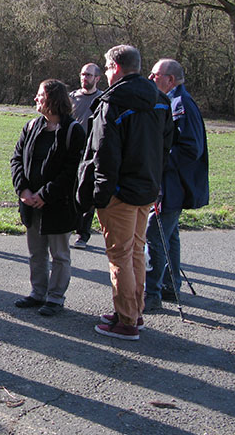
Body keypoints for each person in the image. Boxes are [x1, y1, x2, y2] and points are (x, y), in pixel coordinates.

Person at [76, 45, 173, 340]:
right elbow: (166, 145)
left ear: (115, 68)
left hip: (119, 191)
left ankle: (127, 321)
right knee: (135, 253)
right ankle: (133, 310)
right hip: (146, 189)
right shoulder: (160, 100)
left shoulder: (113, 101)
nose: (105, 74)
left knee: (119, 255)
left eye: (106, 68)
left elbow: (104, 153)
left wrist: (100, 195)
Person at [10, 79, 85, 316]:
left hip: (58, 206)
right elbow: (16, 160)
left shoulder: (73, 131)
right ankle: (37, 293)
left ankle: (55, 298)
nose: (36, 99)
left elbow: (73, 170)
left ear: (53, 99)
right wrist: (23, 190)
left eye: (40, 95)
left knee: (60, 254)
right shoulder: (31, 127)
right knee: (36, 252)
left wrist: (46, 194)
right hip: (31, 204)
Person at [144, 59, 209, 311]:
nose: (151, 78)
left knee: (155, 234)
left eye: (155, 74)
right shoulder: (174, 100)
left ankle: (152, 295)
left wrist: (158, 158)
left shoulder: (180, 104)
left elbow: (191, 148)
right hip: (173, 182)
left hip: (173, 184)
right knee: (169, 235)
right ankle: (171, 285)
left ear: (170, 79)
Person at [69, 63, 104, 249]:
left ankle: (83, 234)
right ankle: (67, 226)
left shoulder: (102, 99)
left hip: (91, 152)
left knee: (86, 192)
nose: (85, 78)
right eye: (83, 74)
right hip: (72, 150)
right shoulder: (72, 98)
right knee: (69, 189)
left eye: (89, 75)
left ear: (97, 78)